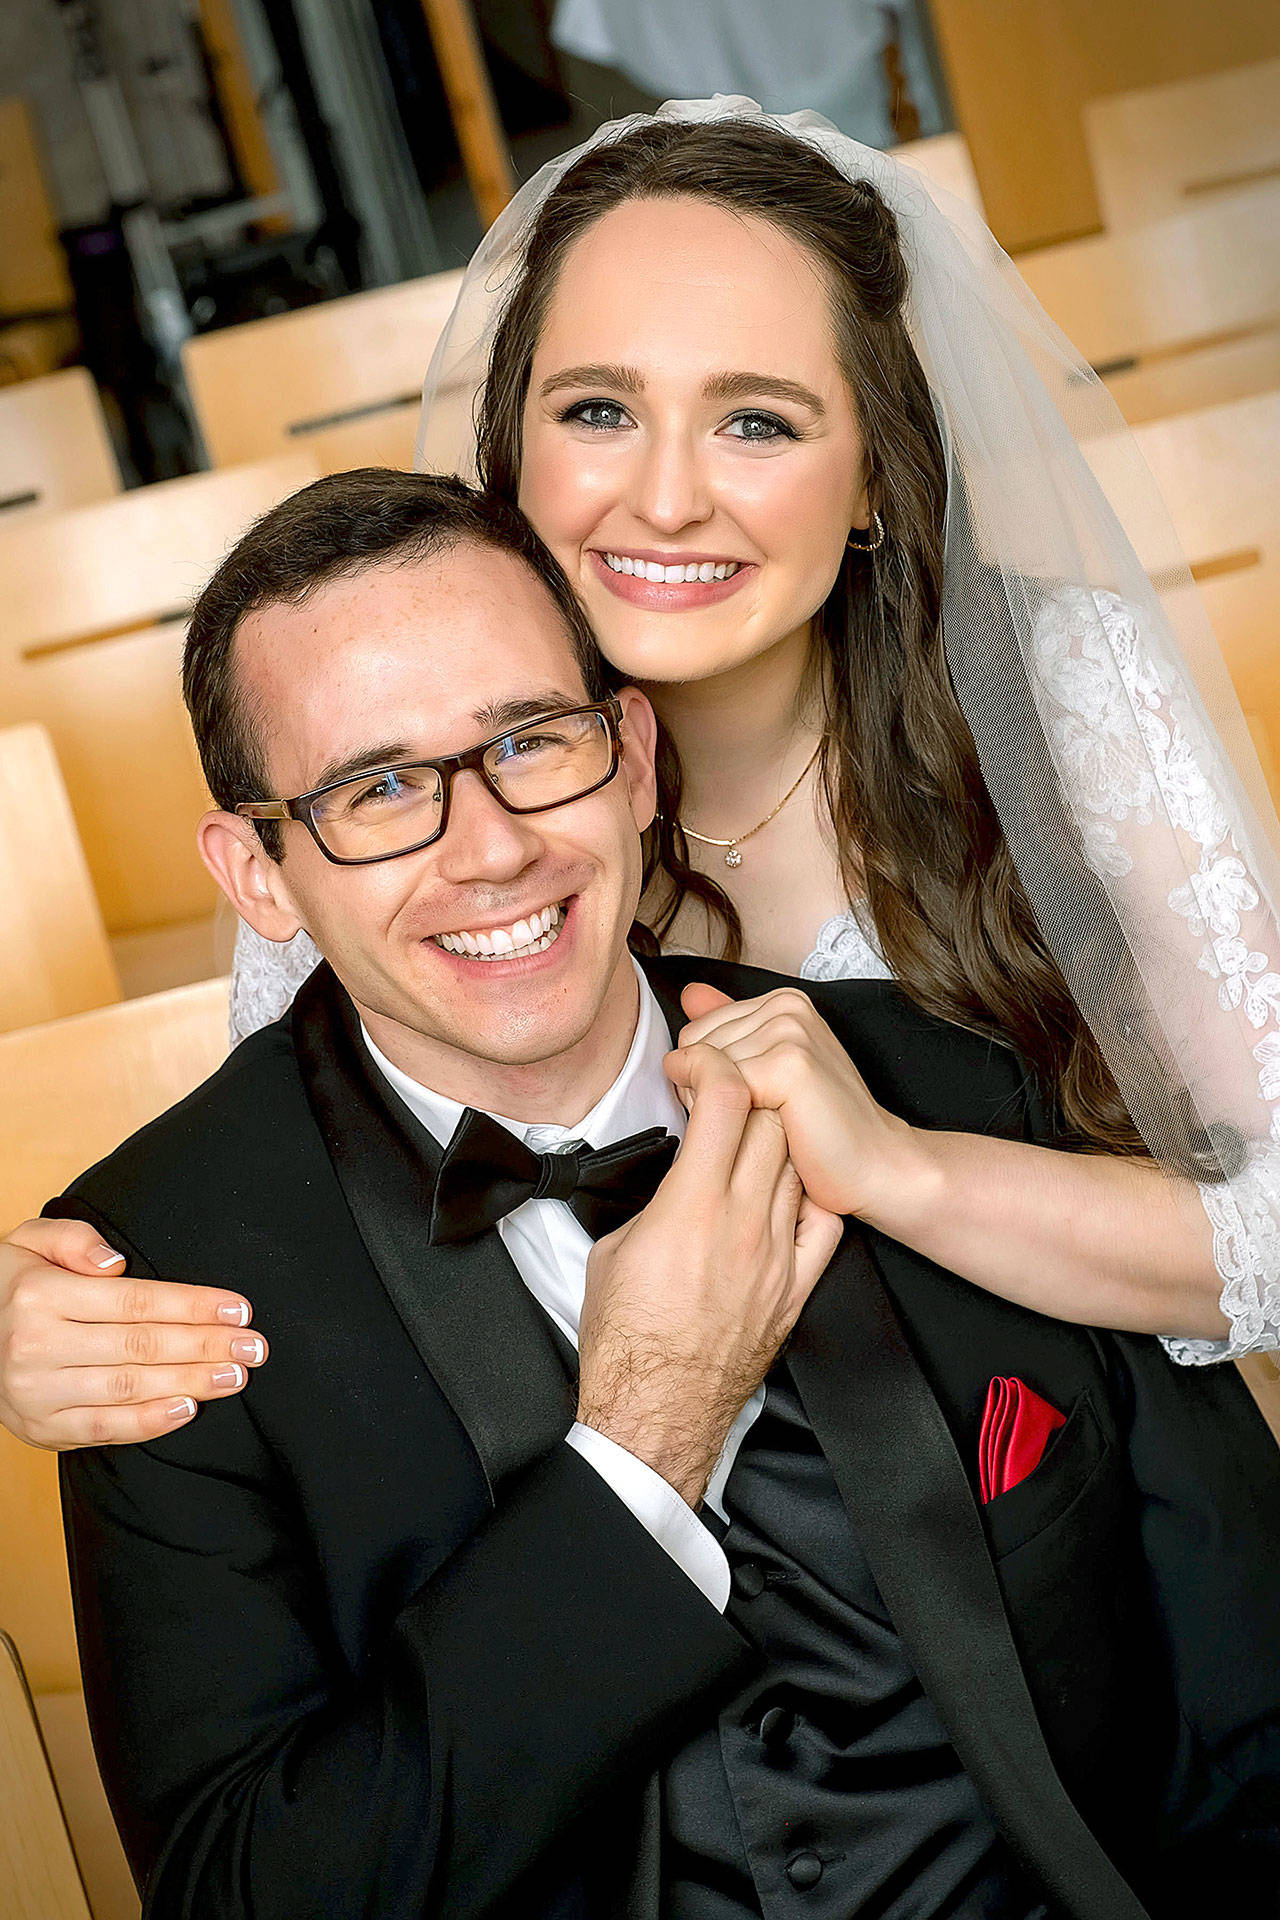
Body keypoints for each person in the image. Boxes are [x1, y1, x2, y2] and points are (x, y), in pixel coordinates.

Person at [54, 468, 1280, 1919]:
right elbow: (247, 1893)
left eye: (532, 740)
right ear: (261, 874)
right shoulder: (152, 1286)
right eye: (376, 790)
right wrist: (641, 1440)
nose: (492, 844)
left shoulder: (956, 1078)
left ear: (634, 756)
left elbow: (1243, 1693)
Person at [5, 97, 1280, 1449]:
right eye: (601, 409)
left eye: (759, 424)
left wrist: (909, 1175)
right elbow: (314, 1246)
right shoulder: (394, 824)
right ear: (510, 449)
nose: (666, 500)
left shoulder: (1059, 683)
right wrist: (63, 1322)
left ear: (870, 484)